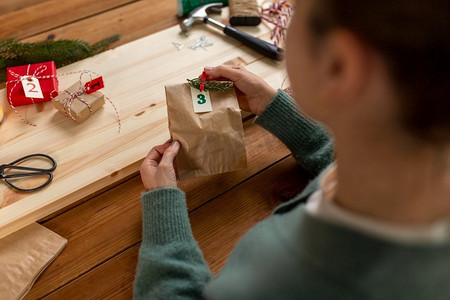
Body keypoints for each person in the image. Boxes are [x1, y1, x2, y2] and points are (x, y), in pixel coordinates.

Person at [134, 0, 450, 298]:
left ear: (338, 65)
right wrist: (283, 115)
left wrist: (163, 212)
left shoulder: (281, 281)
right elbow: (366, 165)